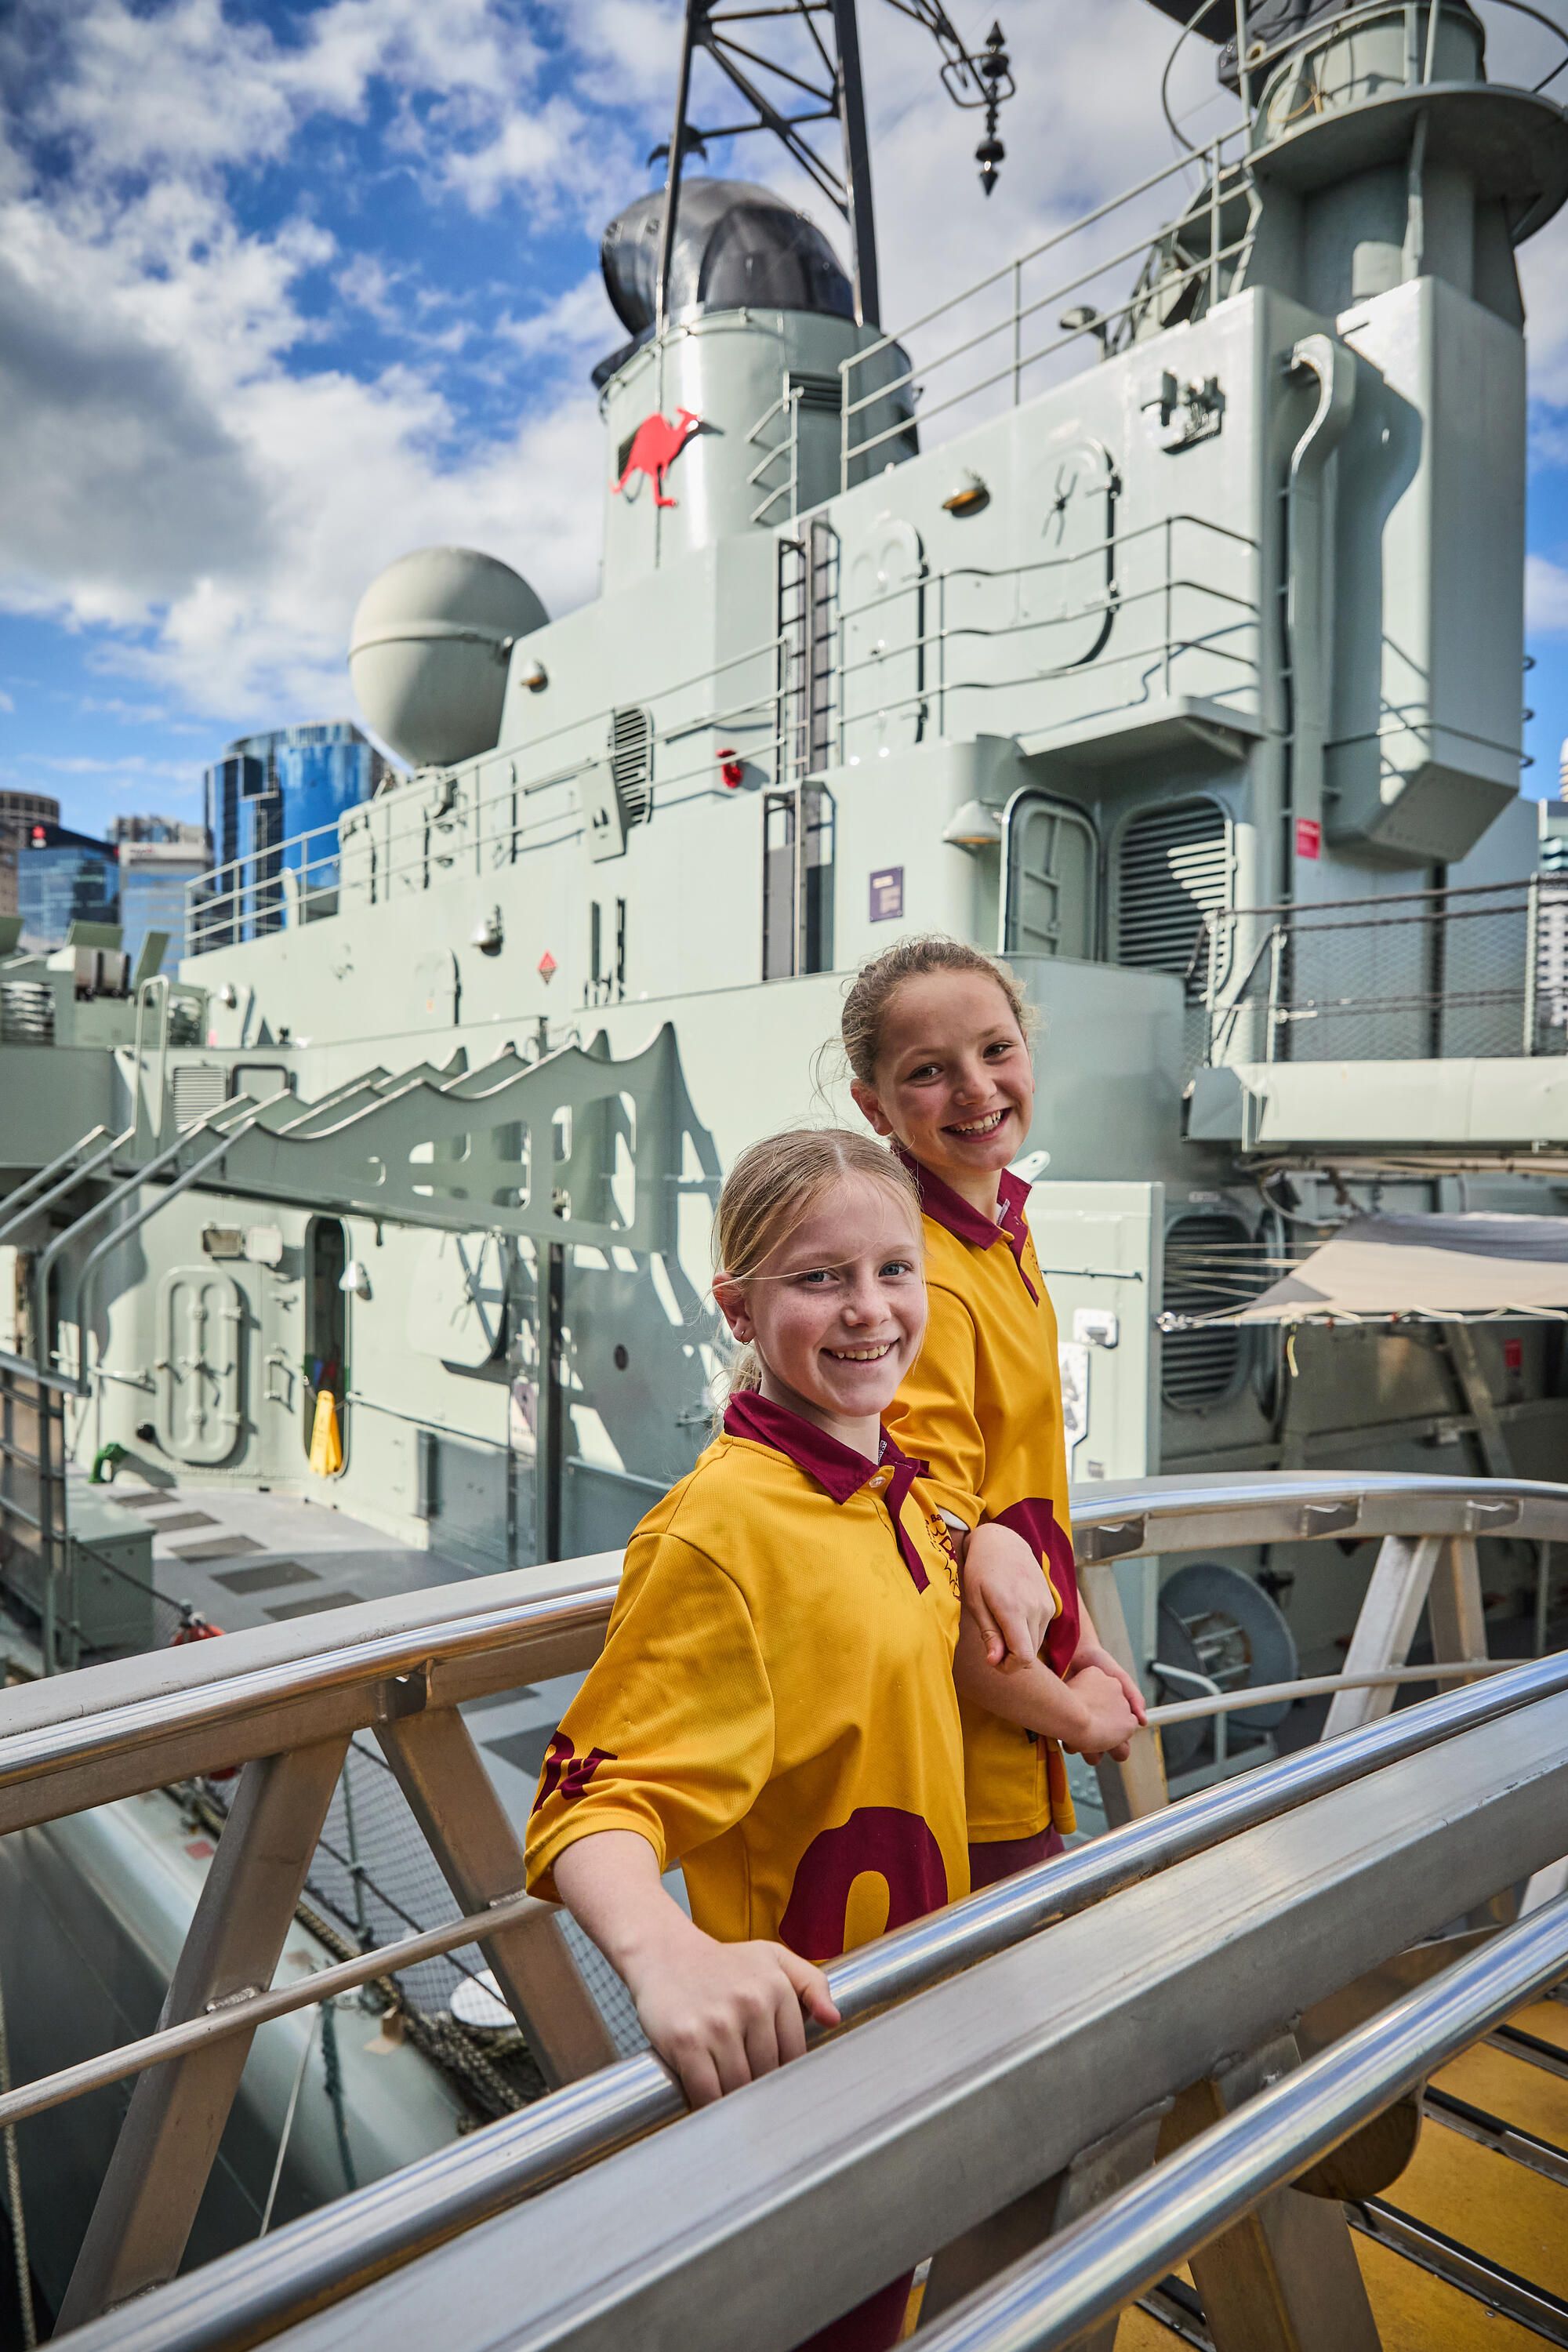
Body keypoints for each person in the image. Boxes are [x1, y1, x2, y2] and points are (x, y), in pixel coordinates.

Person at [841, 935, 1146, 1891]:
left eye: (995, 1050)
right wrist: (1082, 1716)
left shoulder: (1000, 1234)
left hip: (1018, 1712)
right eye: (928, 1072)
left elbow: (1010, 1503)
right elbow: (929, 1559)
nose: (975, 1089)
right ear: (872, 1105)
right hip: (957, 1759)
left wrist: (1083, 1642)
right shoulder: (923, 1273)